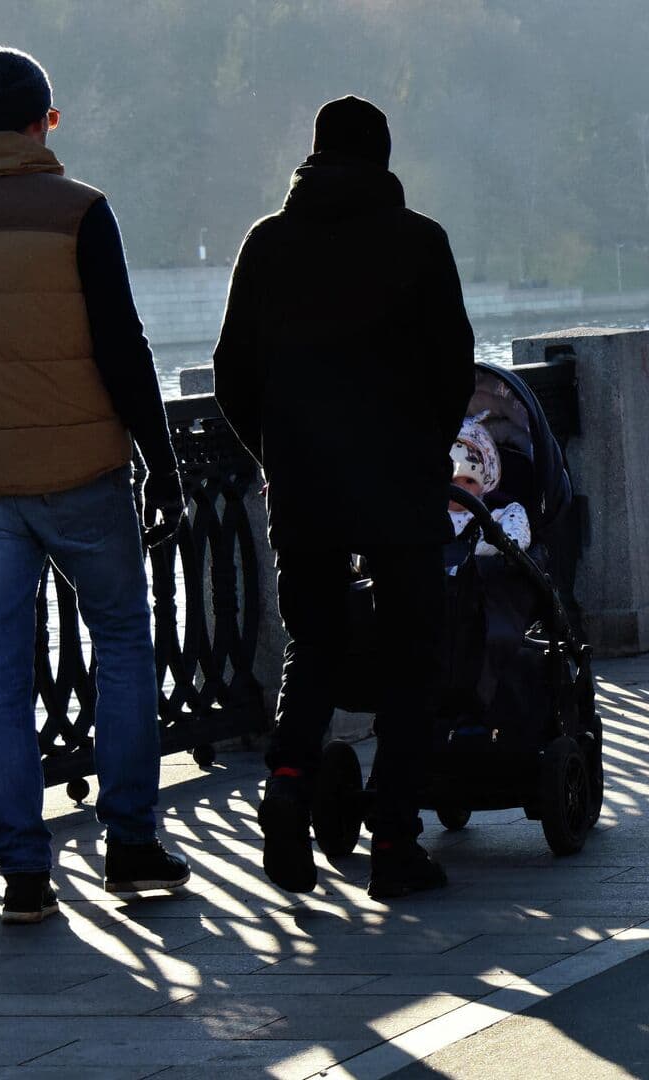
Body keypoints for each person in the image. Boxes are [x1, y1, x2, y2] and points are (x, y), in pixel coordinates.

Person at [0, 47, 191, 924]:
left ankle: (22, 868)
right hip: (83, 475)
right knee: (123, 645)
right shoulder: (80, 212)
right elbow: (122, 347)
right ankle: (130, 844)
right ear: (41, 120)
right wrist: (160, 463)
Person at [213, 95, 475, 900]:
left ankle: (288, 785)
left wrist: (278, 454)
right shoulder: (420, 242)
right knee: (410, 661)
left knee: (315, 647)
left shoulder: (267, 242)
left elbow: (231, 373)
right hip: (401, 486)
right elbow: (453, 368)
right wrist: (426, 453)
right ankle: (393, 840)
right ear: (383, 159)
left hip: (307, 488)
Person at [447, 414, 531, 571]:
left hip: (479, 572)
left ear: (485, 482)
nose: (460, 490)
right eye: (452, 482)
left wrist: (501, 543)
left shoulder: (493, 513)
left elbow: (516, 520)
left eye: (469, 481)